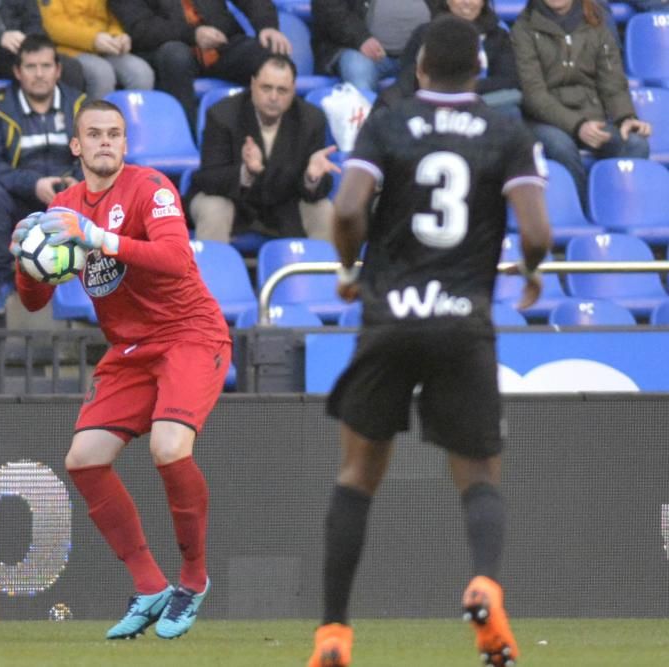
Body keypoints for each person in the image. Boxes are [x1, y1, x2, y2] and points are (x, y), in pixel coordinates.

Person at [307, 15, 551, 667]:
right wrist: (529, 273)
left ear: (418, 69)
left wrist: (346, 270)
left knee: (358, 472)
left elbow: (350, 208)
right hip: (462, 321)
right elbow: (535, 227)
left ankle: (333, 633)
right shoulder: (506, 131)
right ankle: (484, 583)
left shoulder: (386, 123)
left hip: (390, 317)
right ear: (478, 68)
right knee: (478, 473)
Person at [11, 100, 231, 640]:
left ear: (126, 145)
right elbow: (35, 302)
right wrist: (26, 260)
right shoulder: (61, 208)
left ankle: (193, 579)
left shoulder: (150, 188)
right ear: (76, 146)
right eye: (95, 134)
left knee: (170, 447)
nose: (106, 142)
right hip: (131, 349)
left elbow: (178, 259)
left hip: (189, 334)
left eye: (115, 134)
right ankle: (150, 583)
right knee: (84, 460)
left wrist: (98, 238)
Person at [0, 35, 86, 316]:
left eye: (46, 66)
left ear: (58, 70)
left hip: (71, 199)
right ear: (18, 72)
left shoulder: (80, 105)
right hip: (21, 200)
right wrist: (33, 184)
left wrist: (76, 181)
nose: (39, 74)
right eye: (31, 67)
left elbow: (98, 155)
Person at [512, 0, 651, 211]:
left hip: (592, 117)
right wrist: (578, 126)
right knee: (561, 146)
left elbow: (612, 82)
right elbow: (534, 96)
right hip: (544, 121)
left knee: (635, 144)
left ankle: (618, 213)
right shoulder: (523, 29)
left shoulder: (597, 22)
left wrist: (626, 117)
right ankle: (581, 212)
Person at [189, 54, 340, 242]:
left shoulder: (311, 119)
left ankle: (320, 271)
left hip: (284, 206)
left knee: (324, 209)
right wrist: (247, 172)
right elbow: (209, 179)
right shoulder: (222, 115)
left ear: (293, 90)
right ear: (253, 84)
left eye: (282, 90)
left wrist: (311, 178)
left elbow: (318, 188)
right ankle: (212, 271)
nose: (273, 97)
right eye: (266, 88)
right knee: (214, 208)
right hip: (232, 200)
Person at [109, 0, 291, 128]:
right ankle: (188, 145)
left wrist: (267, 25)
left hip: (221, 43)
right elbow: (141, 29)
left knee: (271, 58)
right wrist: (193, 34)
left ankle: (272, 145)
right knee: (175, 57)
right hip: (170, 49)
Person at [377, 0, 522, 118]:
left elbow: (508, 79)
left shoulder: (498, 36)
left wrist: (458, 89)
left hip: (484, 103)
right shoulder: (425, 33)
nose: (467, 2)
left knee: (510, 111)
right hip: (431, 105)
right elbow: (408, 75)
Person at [310, 0, 434, 97]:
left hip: (423, 52)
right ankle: (364, 126)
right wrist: (360, 38)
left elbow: (443, 8)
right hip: (358, 51)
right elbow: (327, 7)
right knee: (358, 69)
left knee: (445, 62)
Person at [39, 0, 155, 100]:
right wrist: (92, 39)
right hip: (68, 48)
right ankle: (97, 123)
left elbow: (113, 17)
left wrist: (117, 36)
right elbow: (51, 26)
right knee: (102, 74)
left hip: (106, 45)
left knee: (141, 73)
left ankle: (133, 121)